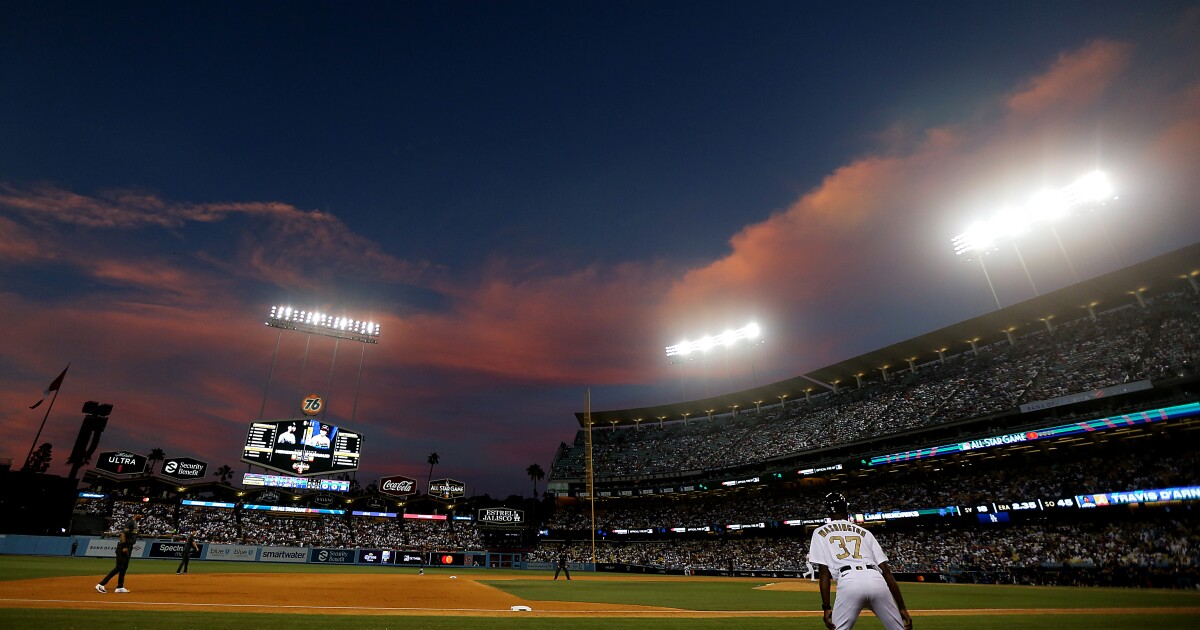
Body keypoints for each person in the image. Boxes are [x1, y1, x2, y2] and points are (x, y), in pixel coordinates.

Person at [808, 493, 912, 630]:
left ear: (828, 511)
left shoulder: (820, 532)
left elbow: (824, 574)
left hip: (849, 581)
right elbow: (886, 571)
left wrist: (826, 607)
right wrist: (902, 607)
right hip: (877, 580)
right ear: (846, 508)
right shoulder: (864, 532)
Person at [96, 512, 143, 594]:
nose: (141, 517)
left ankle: (120, 586)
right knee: (119, 567)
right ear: (135, 514)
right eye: (140, 515)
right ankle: (100, 584)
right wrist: (124, 546)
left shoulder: (135, 523)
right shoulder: (130, 522)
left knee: (124, 567)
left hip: (129, 547)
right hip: (123, 547)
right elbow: (123, 535)